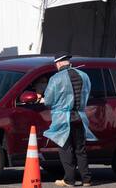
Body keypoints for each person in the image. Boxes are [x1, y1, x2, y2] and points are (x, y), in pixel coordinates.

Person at [39, 52, 96, 187]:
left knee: (65, 148)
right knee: (80, 149)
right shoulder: (84, 76)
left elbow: (49, 100)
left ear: (58, 63)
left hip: (63, 119)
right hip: (80, 117)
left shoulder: (56, 78)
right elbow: (87, 94)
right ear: (68, 62)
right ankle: (86, 179)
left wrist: (43, 98)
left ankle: (69, 180)